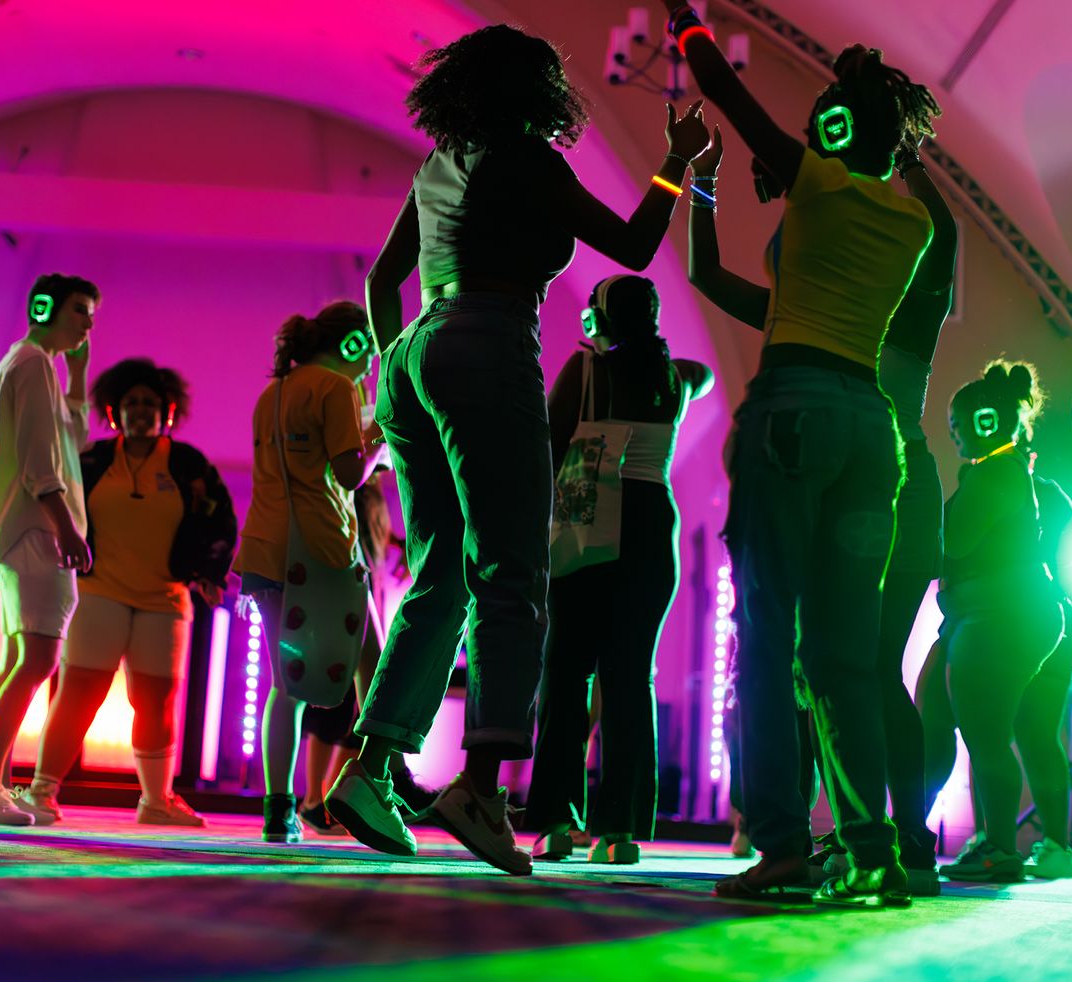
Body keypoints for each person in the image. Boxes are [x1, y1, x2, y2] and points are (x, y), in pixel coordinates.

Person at [329, 23, 711, 877]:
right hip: (490, 341)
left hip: (414, 352)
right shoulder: (531, 158)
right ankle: (480, 786)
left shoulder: (438, 160)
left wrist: (392, 366)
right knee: (511, 573)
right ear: (536, 93)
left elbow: (379, 278)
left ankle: (371, 768)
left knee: (438, 572)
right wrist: (674, 163)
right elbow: (636, 245)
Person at [668, 0, 941, 905]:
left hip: (794, 413)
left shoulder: (819, 186)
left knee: (765, 641)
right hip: (871, 431)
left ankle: (782, 847)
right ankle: (874, 852)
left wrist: (685, 20)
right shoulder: (912, 226)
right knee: (844, 657)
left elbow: (718, 86)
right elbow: (749, 289)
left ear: (838, 129)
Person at [526, 275, 714, 865]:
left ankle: (556, 819)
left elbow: (547, 452)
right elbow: (701, 374)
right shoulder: (673, 378)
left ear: (597, 321)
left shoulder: (585, 372)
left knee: (566, 673)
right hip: (654, 526)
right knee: (631, 678)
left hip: (588, 515)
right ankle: (620, 830)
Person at [12, 359, 236, 827]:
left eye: (149, 404)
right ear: (114, 412)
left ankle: (157, 800)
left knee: (155, 700)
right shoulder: (92, 460)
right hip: (100, 594)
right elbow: (58, 505)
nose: (140, 411)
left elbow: (220, 521)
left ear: (166, 411)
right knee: (79, 692)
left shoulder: (189, 465)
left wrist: (212, 571)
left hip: (165, 599)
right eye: (131, 403)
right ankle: (42, 792)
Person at [236, 302, 384, 844]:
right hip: (323, 549)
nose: (369, 366)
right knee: (376, 667)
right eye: (367, 351)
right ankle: (377, 783)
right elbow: (348, 474)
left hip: (266, 549)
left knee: (286, 686)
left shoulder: (272, 391)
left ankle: (280, 811)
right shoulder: (337, 389)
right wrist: (383, 438)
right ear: (351, 344)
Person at [0, 274, 96, 825]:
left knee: (21, 657)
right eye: (81, 310)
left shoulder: (31, 364)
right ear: (48, 309)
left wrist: (80, 373)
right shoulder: (33, 363)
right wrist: (66, 525)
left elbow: (72, 439)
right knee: (37, 657)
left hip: (21, 529)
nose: (88, 324)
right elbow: (43, 461)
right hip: (37, 528)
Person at [935, 362, 1071, 882]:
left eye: (961, 423)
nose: (956, 435)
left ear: (990, 420)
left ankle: (999, 848)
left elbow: (954, 544)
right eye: (951, 427)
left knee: (991, 735)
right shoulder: (1007, 472)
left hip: (1004, 615)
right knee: (1015, 735)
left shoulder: (996, 474)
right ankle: (1020, 845)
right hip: (1019, 614)